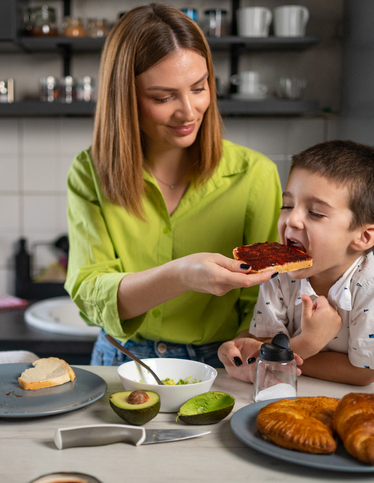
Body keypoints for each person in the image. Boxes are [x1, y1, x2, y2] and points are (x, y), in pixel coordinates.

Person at [65, 4, 283, 367]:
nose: (189, 111)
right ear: (125, 98)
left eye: (199, 88)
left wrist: (248, 347)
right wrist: (181, 275)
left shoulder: (255, 174)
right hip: (121, 359)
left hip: (220, 362)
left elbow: (267, 296)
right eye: (163, 98)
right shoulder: (90, 171)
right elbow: (90, 294)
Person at [219, 140, 374, 385]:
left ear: (363, 236)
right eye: (288, 205)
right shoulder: (279, 275)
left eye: (315, 213)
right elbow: (262, 343)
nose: (292, 220)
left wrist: (302, 347)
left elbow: (364, 373)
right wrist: (241, 346)